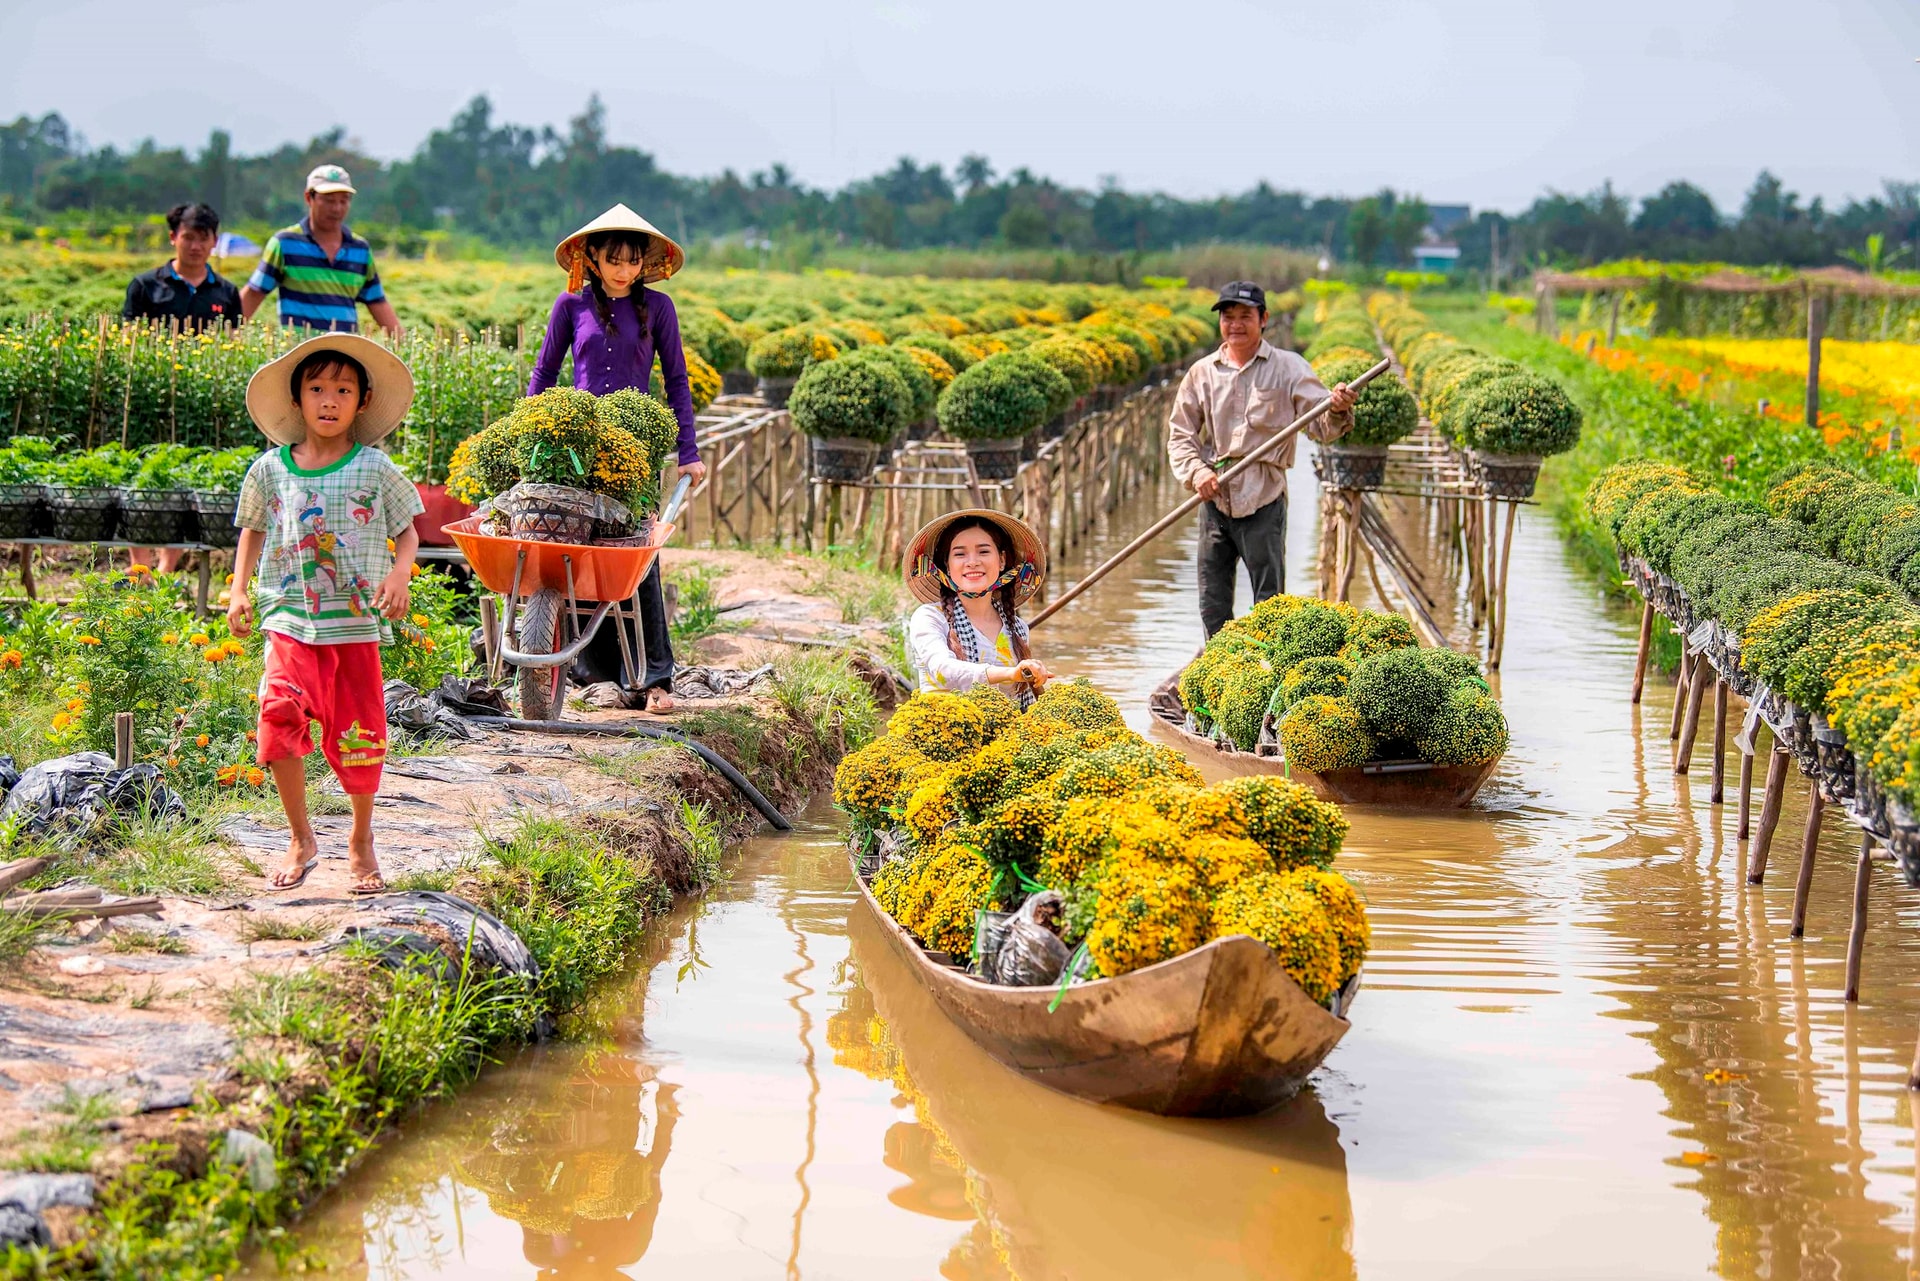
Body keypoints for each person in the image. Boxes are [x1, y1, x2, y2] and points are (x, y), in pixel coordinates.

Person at [227, 333, 425, 895]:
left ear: (362, 401)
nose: (329, 400)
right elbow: (253, 530)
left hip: (354, 622)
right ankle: (301, 836)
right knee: (278, 712)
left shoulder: (374, 468)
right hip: (289, 615)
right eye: (317, 389)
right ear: (297, 400)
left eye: (343, 389)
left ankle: (361, 839)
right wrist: (238, 590)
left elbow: (407, 531)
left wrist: (399, 572)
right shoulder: (271, 469)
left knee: (359, 732)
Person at [528, 203, 707, 714]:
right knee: (580, 551)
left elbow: (676, 381)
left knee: (636, 558)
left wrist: (687, 453)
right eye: (614, 260)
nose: (624, 270)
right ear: (593, 259)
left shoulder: (661, 310)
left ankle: (653, 679)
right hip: (579, 449)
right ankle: (591, 672)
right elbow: (544, 376)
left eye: (632, 261)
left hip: (635, 451)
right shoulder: (570, 308)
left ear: (644, 263)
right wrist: (528, 435)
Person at [1167, 280, 1358, 638]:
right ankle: (1219, 675)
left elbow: (1322, 426)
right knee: (1213, 605)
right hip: (1213, 497)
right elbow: (1180, 435)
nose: (1235, 324)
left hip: (1264, 499)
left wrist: (1336, 409)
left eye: (1245, 316)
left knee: (1270, 607)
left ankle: (1264, 677)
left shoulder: (1289, 368)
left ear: (1264, 319)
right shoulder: (1202, 373)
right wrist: (1197, 473)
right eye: (1228, 317)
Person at [904, 509, 1053, 707]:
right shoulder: (930, 617)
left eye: (983, 551)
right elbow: (943, 669)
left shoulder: (1017, 628)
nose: (972, 562)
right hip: (942, 730)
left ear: (1001, 561)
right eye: (960, 554)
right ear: (947, 565)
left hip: (1005, 733)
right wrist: (1011, 673)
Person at [240, 164, 402, 338]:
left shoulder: (359, 249)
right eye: (329, 200)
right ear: (309, 198)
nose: (337, 208)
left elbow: (377, 302)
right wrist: (220, 337)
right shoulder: (285, 243)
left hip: (344, 356)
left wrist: (406, 349)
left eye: (344, 200)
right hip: (299, 354)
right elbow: (254, 293)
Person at [122, 202, 241, 331]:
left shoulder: (228, 292)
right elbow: (129, 339)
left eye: (203, 239)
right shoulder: (145, 286)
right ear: (173, 237)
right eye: (188, 238)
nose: (195, 247)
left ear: (215, 242)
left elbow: (233, 340)